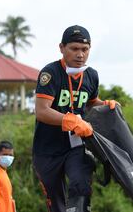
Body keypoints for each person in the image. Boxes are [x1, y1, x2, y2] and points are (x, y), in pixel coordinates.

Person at [33, 25, 118, 212]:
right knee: (56, 203)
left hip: (76, 146)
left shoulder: (91, 75)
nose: (80, 54)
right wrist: (70, 120)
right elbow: (41, 110)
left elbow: (91, 101)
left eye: (85, 49)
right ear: (62, 48)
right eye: (74, 49)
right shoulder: (51, 73)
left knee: (81, 185)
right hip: (47, 149)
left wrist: (105, 105)